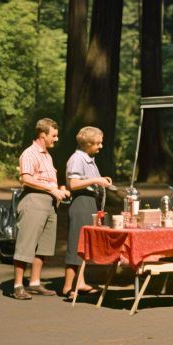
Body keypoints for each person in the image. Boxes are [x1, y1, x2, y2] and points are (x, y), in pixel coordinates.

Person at [12, 118, 71, 300]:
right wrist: (51, 189)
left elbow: (47, 179)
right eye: (53, 135)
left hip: (49, 203)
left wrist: (59, 189)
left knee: (43, 247)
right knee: (26, 244)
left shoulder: (47, 155)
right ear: (42, 135)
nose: (56, 139)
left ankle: (35, 283)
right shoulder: (29, 154)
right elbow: (26, 179)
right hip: (33, 201)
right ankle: (18, 285)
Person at [61, 126, 113, 299]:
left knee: (85, 244)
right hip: (81, 201)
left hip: (90, 201)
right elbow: (73, 184)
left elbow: (88, 181)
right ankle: (68, 287)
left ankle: (80, 282)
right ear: (88, 144)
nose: (101, 146)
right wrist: (96, 180)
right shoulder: (77, 159)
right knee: (77, 242)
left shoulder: (89, 158)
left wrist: (101, 180)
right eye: (98, 143)